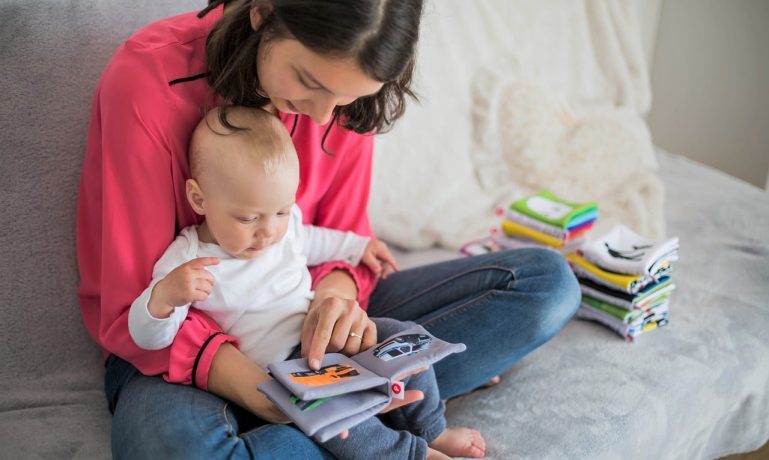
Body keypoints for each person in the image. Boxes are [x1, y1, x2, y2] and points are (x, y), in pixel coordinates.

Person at [76, 0, 580, 458]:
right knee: (171, 449)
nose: (323, 115)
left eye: (346, 98)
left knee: (547, 285)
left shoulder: (342, 99)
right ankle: (362, 425)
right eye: (310, 82)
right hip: (174, 352)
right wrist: (260, 389)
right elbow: (137, 306)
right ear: (263, 11)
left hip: (306, 328)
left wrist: (335, 302)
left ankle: (345, 422)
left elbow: (341, 239)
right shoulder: (146, 83)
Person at [126, 106, 481, 460]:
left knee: (406, 337)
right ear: (199, 198)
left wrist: (359, 247)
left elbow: (313, 240)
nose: (268, 232)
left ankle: (433, 429)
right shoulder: (189, 258)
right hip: (285, 368)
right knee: (339, 415)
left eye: (281, 211)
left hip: (324, 334)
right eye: (248, 218)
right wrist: (165, 297)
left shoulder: (283, 226)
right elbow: (148, 337)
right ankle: (408, 454)